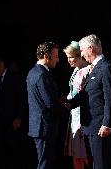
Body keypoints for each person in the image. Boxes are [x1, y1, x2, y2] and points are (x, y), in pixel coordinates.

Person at [66, 34, 111, 169]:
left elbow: (110, 97)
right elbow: (87, 94)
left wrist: (107, 124)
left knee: (100, 164)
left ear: (91, 49)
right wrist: (69, 103)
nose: (81, 54)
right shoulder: (93, 68)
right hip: (90, 126)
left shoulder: (105, 67)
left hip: (100, 127)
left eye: (82, 50)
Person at [27, 41, 66, 169]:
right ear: (46, 56)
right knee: (45, 163)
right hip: (44, 127)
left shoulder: (33, 72)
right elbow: (49, 103)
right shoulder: (42, 74)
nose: (58, 60)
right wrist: (64, 107)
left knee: (45, 161)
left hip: (39, 126)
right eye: (55, 56)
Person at [0, 57, 25, 169]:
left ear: (2, 64)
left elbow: (21, 99)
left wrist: (19, 117)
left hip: (12, 121)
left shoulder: (14, 78)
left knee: (11, 150)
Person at [63, 41, 90, 169]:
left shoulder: (87, 70)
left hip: (83, 114)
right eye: (67, 57)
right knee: (75, 152)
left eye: (71, 57)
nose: (68, 60)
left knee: (83, 151)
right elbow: (72, 91)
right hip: (74, 114)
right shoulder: (75, 70)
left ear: (79, 55)